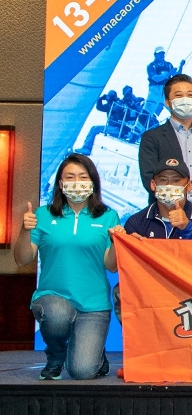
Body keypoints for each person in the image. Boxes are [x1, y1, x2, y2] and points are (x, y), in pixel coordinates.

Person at [13, 154, 123, 380]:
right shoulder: (42, 215)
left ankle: (95, 354)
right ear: (60, 183)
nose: (76, 182)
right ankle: (56, 354)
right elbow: (22, 259)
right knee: (57, 315)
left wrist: (116, 242)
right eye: (70, 177)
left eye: (83, 177)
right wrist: (25, 230)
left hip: (93, 305)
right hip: (53, 298)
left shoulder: (108, 216)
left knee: (82, 371)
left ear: (93, 182)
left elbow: (111, 266)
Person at [138, 74, 192, 215]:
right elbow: (149, 176)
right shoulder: (152, 137)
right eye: (179, 95)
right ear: (167, 102)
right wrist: (172, 205)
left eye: (190, 95)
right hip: (164, 215)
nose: (185, 100)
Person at [123, 159, 192, 240]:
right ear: (153, 185)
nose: (169, 185)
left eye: (176, 180)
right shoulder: (136, 223)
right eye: (163, 180)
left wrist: (187, 227)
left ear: (189, 185)